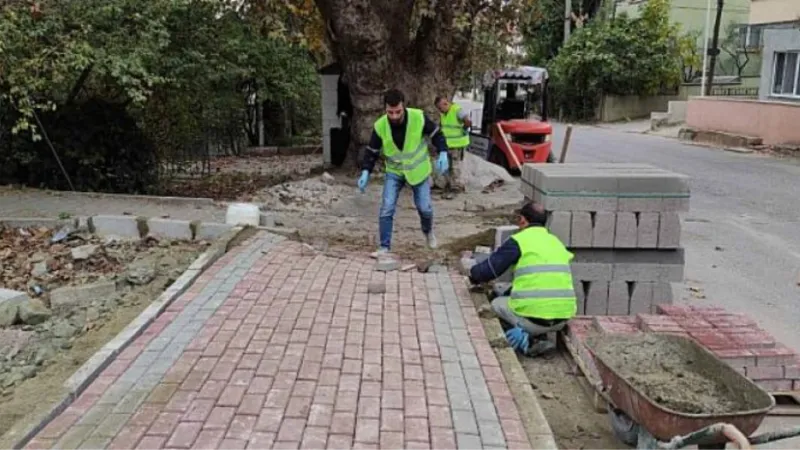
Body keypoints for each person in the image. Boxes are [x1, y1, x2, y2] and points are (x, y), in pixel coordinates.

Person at [468, 201, 577, 356]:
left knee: (496, 303)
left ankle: (528, 341)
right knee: (513, 294)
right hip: (562, 319)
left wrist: (472, 273)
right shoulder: (556, 242)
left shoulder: (519, 241)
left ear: (523, 220)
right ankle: (541, 336)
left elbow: (488, 271)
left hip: (533, 319)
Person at [357, 88, 450, 257]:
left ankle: (428, 232)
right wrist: (365, 172)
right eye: (390, 112)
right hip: (395, 171)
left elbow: (437, 135)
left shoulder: (418, 117)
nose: (394, 116)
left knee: (425, 208)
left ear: (403, 106)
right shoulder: (380, 126)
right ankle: (384, 247)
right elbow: (372, 151)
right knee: (387, 207)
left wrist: (443, 151)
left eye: (397, 112)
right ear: (385, 109)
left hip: (418, 170)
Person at [435, 96, 472, 198]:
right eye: (438, 108)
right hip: (447, 145)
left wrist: (464, 130)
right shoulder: (444, 114)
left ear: (445, 104)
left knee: (455, 167)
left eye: (440, 108)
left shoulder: (456, 110)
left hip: (457, 145)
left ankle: (456, 188)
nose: (440, 110)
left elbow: (468, 121)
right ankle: (450, 185)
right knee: (447, 167)